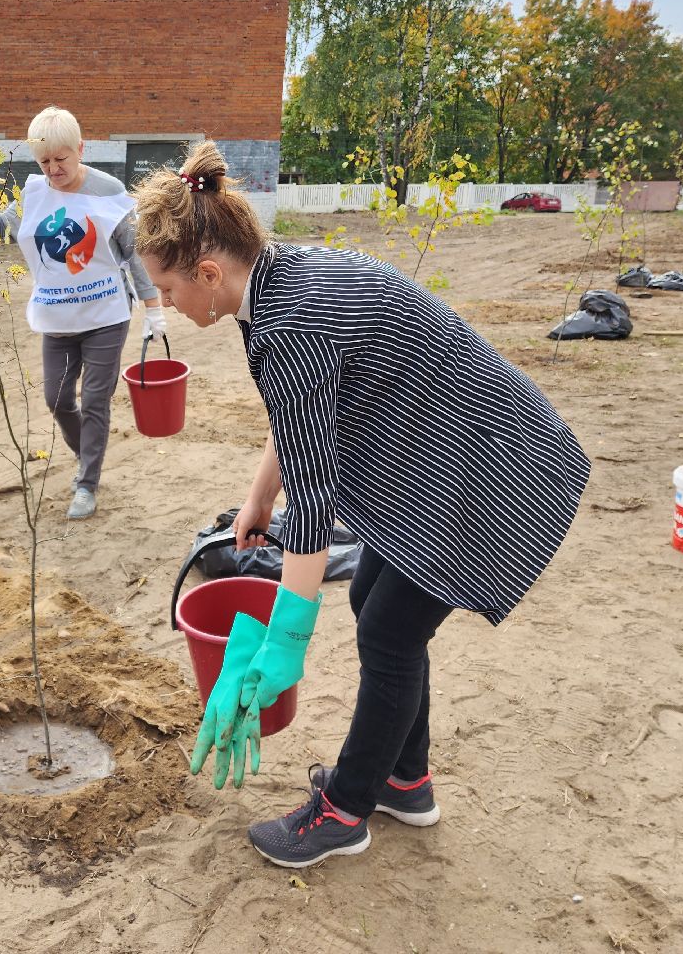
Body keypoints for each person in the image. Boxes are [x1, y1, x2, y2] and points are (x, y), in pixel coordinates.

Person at [131, 141, 590, 869]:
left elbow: (314, 500)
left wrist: (287, 638)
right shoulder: (279, 278)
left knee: (389, 632)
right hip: (449, 454)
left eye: (167, 288)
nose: (167, 305)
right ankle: (405, 780)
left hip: (492, 466)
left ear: (209, 273)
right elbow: (304, 422)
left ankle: (345, 809)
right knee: (377, 594)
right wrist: (256, 499)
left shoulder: (290, 324)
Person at [0, 106, 167, 520]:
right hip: (57, 318)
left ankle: (87, 482)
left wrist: (153, 308)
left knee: (96, 401)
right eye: (44, 161)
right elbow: (3, 228)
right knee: (57, 398)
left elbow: (135, 252)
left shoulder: (107, 190)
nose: (52, 169)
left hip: (106, 315)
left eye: (60, 160)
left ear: (80, 149)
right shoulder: (34, 192)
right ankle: (87, 452)